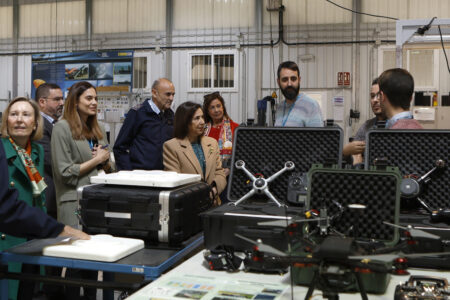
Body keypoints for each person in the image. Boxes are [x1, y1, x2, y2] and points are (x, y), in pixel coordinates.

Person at [0, 97, 88, 300]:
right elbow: (6, 206)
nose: (19, 120)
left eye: (26, 114)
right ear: (6, 122)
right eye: (14, 115)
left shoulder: (37, 152)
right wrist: (58, 229)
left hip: (34, 238)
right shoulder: (2, 151)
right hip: (9, 237)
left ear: (35, 123)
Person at [51, 81, 112, 300]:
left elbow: (109, 166)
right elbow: (64, 173)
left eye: (96, 98)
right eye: (89, 98)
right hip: (73, 202)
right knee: (76, 264)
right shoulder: (62, 128)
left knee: (94, 264)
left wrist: (104, 161)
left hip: (97, 201)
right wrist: (97, 160)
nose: (94, 102)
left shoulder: (96, 129)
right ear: (75, 101)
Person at [163, 102, 226, 207]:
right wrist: (202, 195)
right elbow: (175, 181)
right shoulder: (171, 146)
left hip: (213, 203)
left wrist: (214, 190)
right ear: (185, 122)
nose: (202, 122)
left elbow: (220, 172)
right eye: (196, 118)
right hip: (188, 206)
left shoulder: (212, 143)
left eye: (202, 117)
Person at [114, 78, 175, 170]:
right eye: (168, 94)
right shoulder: (137, 113)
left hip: (164, 175)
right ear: (154, 93)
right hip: (141, 175)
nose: (171, 98)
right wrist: (128, 174)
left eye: (173, 94)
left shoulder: (170, 115)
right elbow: (119, 148)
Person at [35, 83, 64, 220]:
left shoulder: (55, 124)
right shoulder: (38, 125)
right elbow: (50, 161)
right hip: (48, 195)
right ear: (42, 102)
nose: (62, 103)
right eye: (57, 99)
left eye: (62, 99)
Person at [343, 78, 386, 164]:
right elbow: (355, 155)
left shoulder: (399, 125)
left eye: (379, 96)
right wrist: (346, 151)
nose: (375, 100)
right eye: (372, 96)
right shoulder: (367, 126)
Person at [274, 61, 323, 127]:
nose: (289, 84)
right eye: (285, 79)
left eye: (293, 79)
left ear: (299, 80)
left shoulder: (311, 106)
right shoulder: (280, 107)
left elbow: (318, 136)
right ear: (278, 82)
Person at [202, 91, 239, 175]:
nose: (216, 110)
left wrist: (231, 169)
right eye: (212, 107)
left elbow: (241, 154)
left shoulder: (235, 128)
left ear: (223, 108)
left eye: (218, 106)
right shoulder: (202, 130)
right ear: (207, 111)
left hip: (229, 174)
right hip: (207, 174)